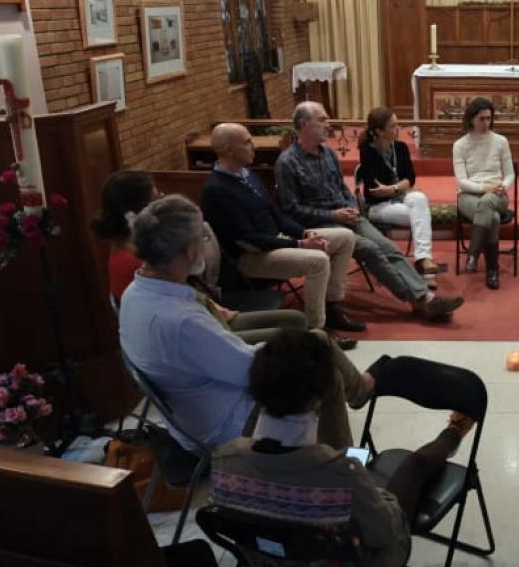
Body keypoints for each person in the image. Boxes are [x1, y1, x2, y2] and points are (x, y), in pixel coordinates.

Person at [208, 329, 476, 567]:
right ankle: (454, 432)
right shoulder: (342, 474)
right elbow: (386, 533)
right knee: (413, 467)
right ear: (317, 400)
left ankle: (449, 432)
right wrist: (374, 492)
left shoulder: (224, 461)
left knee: (361, 472)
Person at [119, 196, 372, 450]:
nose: (205, 245)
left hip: (192, 412)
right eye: (202, 239)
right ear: (189, 251)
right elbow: (250, 371)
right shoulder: (182, 321)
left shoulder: (135, 292)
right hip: (223, 426)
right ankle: (342, 470)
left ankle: (358, 392)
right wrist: (290, 350)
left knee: (314, 343)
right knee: (325, 377)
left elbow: (225, 355)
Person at [278, 102, 464, 322]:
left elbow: (342, 188)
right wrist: (333, 216)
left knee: (390, 248)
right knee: (372, 249)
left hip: (350, 216)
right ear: (304, 124)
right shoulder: (287, 162)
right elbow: (291, 209)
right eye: (322, 120)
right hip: (324, 226)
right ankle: (422, 300)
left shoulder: (328, 154)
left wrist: (354, 208)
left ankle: (423, 299)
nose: (329, 125)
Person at [94, 169, 311, 345]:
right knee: (300, 339)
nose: (162, 197)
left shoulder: (137, 247)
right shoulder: (142, 260)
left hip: (205, 315)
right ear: (142, 210)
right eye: (155, 195)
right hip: (199, 333)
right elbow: (186, 307)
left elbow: (189, 293)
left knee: (297, 321)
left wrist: (217, 309)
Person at [199, 122, 360, 333]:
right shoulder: (216, 189)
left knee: (345, 237)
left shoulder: (248, 175)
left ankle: (332, 307)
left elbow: (277, 215)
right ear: (229, 150)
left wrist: (303, 233)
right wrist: (300, 244)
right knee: (318, 261)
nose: (253, 146)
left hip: (275, 241)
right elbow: (248, 238)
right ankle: (315, 329)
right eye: (247, 142)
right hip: (249, 257)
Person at [355, 107, 443, 277]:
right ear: (379, 131)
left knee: (419, 197)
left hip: (401, 197)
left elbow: (410, 177)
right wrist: (399, 186)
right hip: (378, 207)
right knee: (422, 215)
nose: (398, 129)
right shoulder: (367, 151)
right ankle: (425, 268)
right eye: (393, 126)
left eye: (398, 125)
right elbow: (376, 189)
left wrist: (394, 188)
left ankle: (423, 260)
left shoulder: (401, 147)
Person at [451, 97, 517, 290]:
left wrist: (503, 186)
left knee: (489, 204)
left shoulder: (501, 141)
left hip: (497, 194)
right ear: (471, 119)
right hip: (469, 195)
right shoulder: (460, 145)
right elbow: (461, 180)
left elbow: (510, 173)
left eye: (489, 118)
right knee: (493, 218)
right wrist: (483, 189)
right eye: (482, 119)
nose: (486, 123)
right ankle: (492, 270)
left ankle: (473, 255)